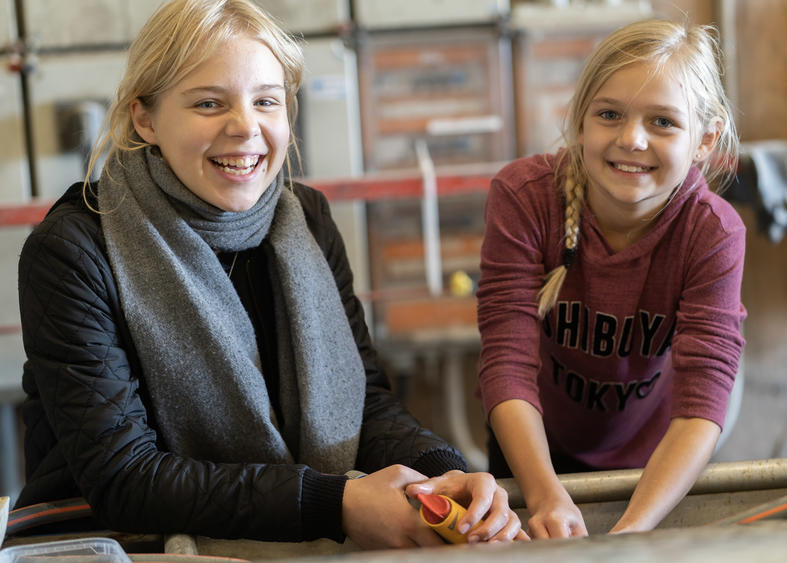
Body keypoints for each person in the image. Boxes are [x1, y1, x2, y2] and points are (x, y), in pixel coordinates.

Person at [16, 0, 527, 548]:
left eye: (266, 101)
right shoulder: (75, 249)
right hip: (115, 547)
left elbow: (366, 404)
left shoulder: (305, 219)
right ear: (145, 118)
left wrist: (443, 471)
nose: (245, 127)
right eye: (208, 103)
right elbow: (123, 477)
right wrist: (338, 505)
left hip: (281, 541)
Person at [476, 19, 746, 538]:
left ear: (704, 140)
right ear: (580, 122)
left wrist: (630, 534)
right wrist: (543, 491)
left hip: (656, 461)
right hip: (530, 444)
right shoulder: (525, 197)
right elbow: (506, 359)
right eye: (609, 114)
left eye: (663, 122)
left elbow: (704, 397)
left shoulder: (713, 233)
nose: (632, 139)